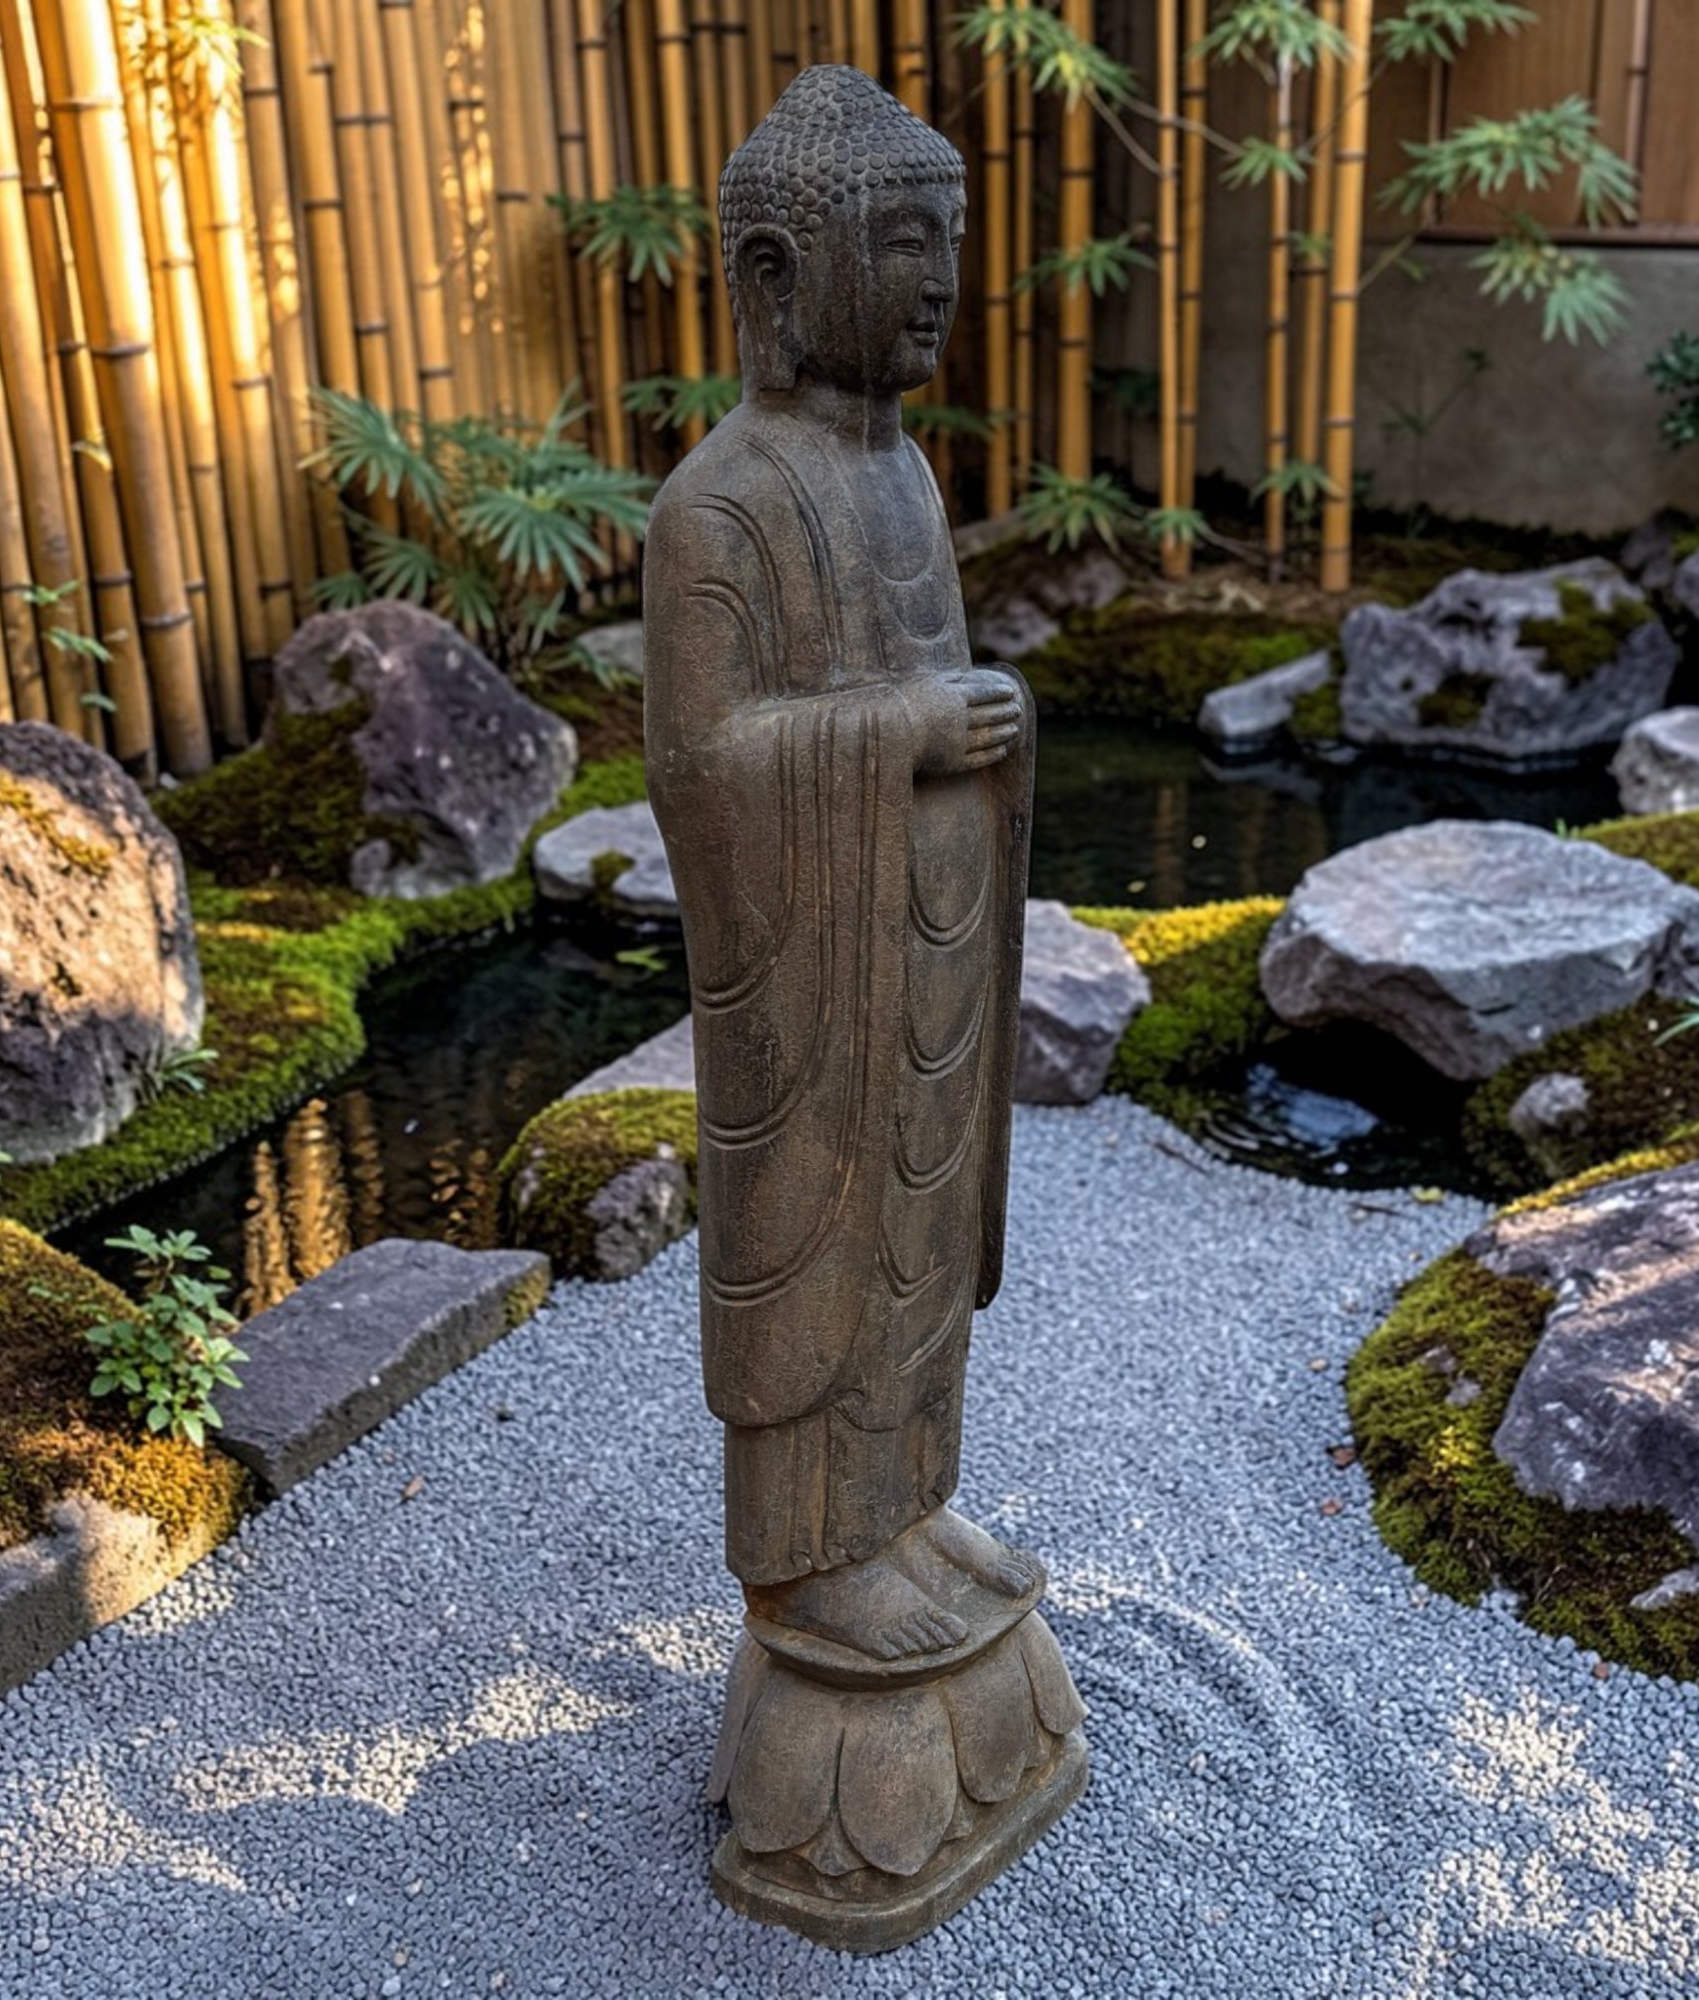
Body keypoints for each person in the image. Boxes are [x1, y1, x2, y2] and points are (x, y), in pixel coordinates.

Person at [644, 64, 1042, 1663]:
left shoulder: (908, 476)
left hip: (924, 939)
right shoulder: (718, 510)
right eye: (899, 239)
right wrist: (904, 735)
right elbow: (696, 766)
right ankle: (810, 1561)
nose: (940, 276)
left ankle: (903, 1503)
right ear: (777, 279)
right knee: (824, 1229)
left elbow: (927, 690)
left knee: (922, 1227)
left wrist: (975, 729)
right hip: (812, 977)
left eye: (945, 237)